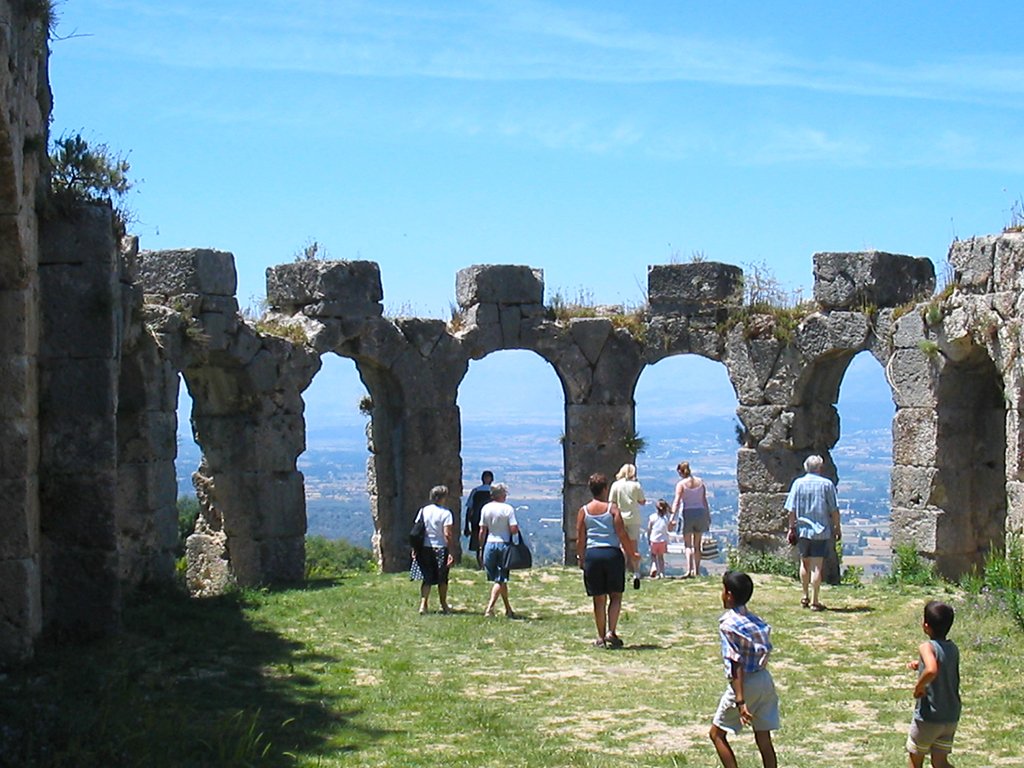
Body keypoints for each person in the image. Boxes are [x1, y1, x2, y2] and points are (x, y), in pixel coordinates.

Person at [709, 571, 780, 768]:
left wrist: (740, 701)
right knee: (764, 738)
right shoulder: (756, 621)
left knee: (717, 734)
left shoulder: (729, 625)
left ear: (729, 595)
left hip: (745, 684)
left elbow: (735, 662)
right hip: (765, 680)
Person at [576, 472, 639, 648]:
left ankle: (600, 636)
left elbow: (580, 538)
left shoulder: (584, 511)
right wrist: (632, 553)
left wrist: (581, 557)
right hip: (612, 554)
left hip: (593, 555)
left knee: (598, 598)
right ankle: (612, 631)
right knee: (616, 595)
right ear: (605, 489)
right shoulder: (612, 509)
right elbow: (621, 534)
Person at [906, 601, 961, 768]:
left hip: (929, 717)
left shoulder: (926, 647)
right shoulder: (953, 648)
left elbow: (932, 670)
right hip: (950, 715)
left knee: (915, 759)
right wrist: (919, 664)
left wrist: (918, 687)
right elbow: (942, 664)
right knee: (940, 762)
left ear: (925, 625)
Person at [784, 454, 840, 611]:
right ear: (820, 468)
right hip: (821, 531)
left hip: (803, 530)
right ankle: (815, 601)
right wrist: (837, 527)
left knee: (804, 563)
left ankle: (804, 595)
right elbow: (834, 510)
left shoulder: (798, 484)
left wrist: (791, 528)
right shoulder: (827, 485)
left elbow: (791, 510)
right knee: (817, 566)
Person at [409, 484, 455, 615]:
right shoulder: (446, 513)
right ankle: (444, 604)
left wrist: (415, 547)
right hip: (440, 547)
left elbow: (417, 530)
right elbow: (447, 534)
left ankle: (423, 604)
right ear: (442, 497)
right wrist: (451, 551)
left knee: (427, 577)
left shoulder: (423, 510)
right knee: (442, 578)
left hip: (424, 547)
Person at [478, 482, 520, 618]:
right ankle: (490, 608)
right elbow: (513, 530)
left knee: (500, 579)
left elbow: (482, 530)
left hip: (490, 544)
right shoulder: (508, 509)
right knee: (500, 579)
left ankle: (508, 609)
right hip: (504, 544)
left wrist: (480, 547)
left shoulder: (485, 508)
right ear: (502, 495)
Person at [609, 463, 647, 589]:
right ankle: (636, 572)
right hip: (633, 518)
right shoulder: (636, 485)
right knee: (633, 545)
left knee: (621, 546)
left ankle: (621, 571)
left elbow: (612, 503)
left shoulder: (616, 485)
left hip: (619, 518)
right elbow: (642, 501)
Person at [672, 461, 710, 578]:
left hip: (687, 513)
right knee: (697, 544)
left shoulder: (681, 484)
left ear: (680, 472)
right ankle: (697, 570)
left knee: (688, 545)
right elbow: (704, 500)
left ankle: (689, 570)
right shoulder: (700, 482)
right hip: (701, 513)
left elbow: (677, 501)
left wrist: (672, 516)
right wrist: (708, 515)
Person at [464, 470, 493, 566]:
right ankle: (487, 564)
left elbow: (469, 508)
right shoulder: (494, 492)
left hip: (476, 521)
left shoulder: (476, 491)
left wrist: (466, 526)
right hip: (491, 522)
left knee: (478, 544)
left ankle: (481, 564)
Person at [646, 499, 673, 578]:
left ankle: (654, 566)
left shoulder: (652, 517)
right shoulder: (666, 519)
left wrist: (648, 538)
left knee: (653, 556)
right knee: (661, 557)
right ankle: (662, 573)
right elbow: (669, 529)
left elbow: (649, 528)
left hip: (654, 540)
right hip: (663, 541)